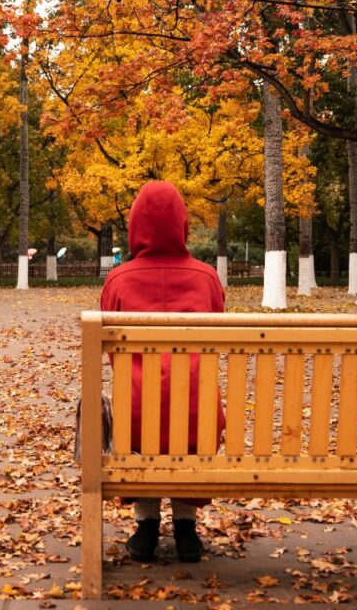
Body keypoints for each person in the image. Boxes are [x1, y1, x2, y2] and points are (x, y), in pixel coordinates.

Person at [100, 181, 225, 563]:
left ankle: (147, 526)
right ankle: (186, 528)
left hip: (135, 418)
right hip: (196, 418)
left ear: (135, 226)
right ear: (182, 225)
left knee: (139, 412)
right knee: (191, 410)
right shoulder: (206, 278)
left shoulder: (118, 279)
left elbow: (111, 353)